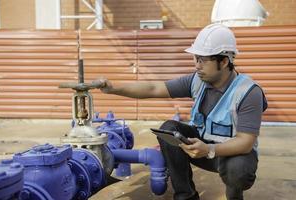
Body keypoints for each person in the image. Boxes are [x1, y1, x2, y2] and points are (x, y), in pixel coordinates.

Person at [93, 23, 268, 200]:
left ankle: (234, 193)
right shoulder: (197, 80)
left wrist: (209, 149)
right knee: (168, 129)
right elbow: (154, 88)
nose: (197, 66)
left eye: (202, 60)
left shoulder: (248, 92)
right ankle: (186, 196)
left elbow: (245, 142)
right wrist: (114, 89)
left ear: (223, 61)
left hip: (230, 154)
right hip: (200, 147)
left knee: (238, 171)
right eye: (195, 58)